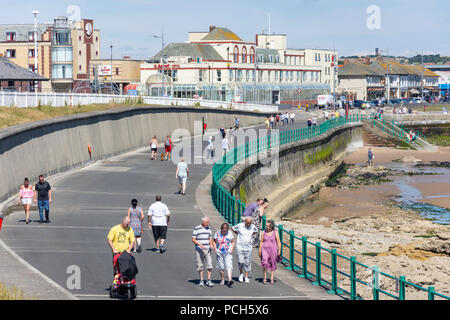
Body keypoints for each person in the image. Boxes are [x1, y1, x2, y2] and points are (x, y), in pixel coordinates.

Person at [232, 217, 259, 284]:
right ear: (245, 222)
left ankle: (246, 276)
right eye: (248, 223)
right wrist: (238, 234)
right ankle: (241, 273)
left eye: (250, 223)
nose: (249, 224)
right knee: (240, 261)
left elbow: (256, 231)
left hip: (248, 247)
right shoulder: (240, 225)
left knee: (247, 262)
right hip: (240, 247)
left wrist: (251, 237)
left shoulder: (253, 227)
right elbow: (232, 228)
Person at [192, 217, 215, 287]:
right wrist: (200, 245)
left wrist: (211, 244)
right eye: (207, 222)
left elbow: (210, 238)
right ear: (203, 222)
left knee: (209, 265)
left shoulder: (209, 229)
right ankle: (201, 280)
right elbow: (193, 239)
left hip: (208, 249)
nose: (208, 223)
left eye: (208, 222)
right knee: (200, 265)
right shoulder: (197, 228)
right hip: (199, 250)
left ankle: (208, 280)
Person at [259, 220, 282, 284]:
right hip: (264, 249)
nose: (266, 227)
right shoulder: (263, 232)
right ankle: (265, 277)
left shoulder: (275, 232)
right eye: (266, 225)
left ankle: (271, 278)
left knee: (272, 263)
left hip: (273, 249)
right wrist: (259, 250)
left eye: (268, 226)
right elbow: (261, 242)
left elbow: (279, 242)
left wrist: (279, 250)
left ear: (271, 226)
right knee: (264, 262)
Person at [214, 223, 235, 287]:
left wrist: (232, 249)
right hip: (219, 252)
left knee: (229, 265)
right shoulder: (217, 234)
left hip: (228, 252)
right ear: (221, 229)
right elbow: (214, 241)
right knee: (221, 267)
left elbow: (233, 242)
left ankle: (229, 280)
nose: (224, 232)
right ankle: (222, 279)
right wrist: (215, 249)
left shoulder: (230, 233)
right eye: (223, 230)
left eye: (225, 231)